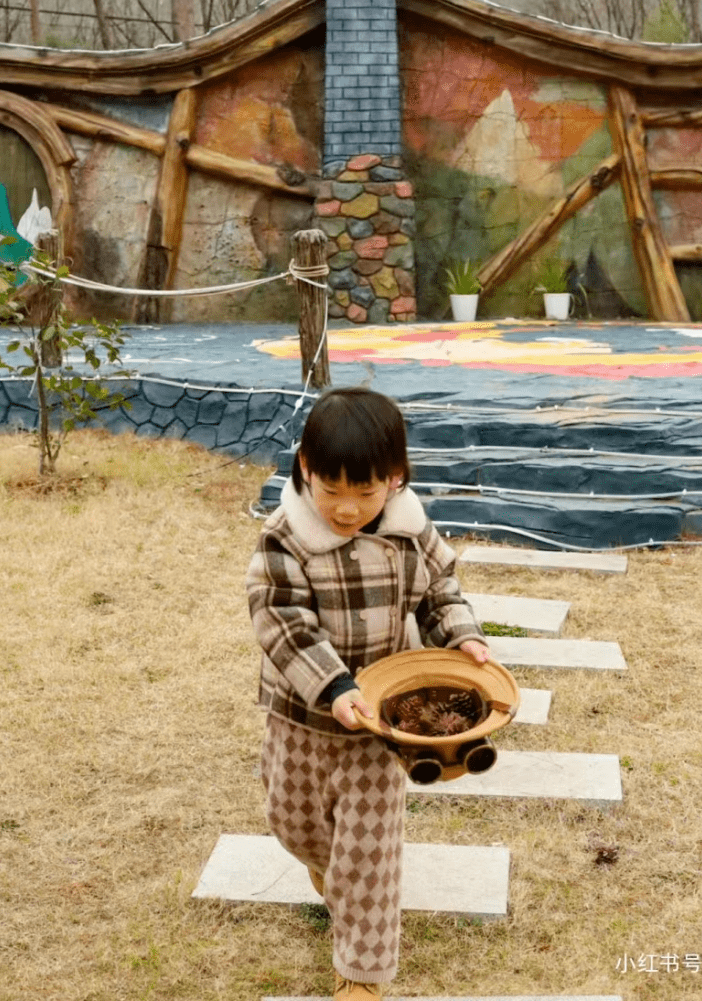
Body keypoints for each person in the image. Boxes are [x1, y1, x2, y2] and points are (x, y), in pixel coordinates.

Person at [246, 386, 490, 1000]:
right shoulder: (286, 538)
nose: (348, 509)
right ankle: (322, 865)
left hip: (381, 725)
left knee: (369, 857)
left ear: (395, 478)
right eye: (332, 491)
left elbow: (439, 593)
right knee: (292, 821)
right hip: (303, 716)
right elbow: (281, 621)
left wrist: (461, 639)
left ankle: (362, 973)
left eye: (365, 491)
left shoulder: (412, 530)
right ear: (306, 471)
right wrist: (332, 686)